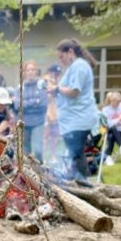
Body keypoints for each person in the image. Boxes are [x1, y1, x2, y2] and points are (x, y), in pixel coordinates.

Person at [51, 40, 99, 180]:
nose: (61, 61)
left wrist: (57, 89)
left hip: (78, 119)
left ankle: (84, 185)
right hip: (72, 119)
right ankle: (79, 183)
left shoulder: (80, 66)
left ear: (70, 52)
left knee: (77, 154)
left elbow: (74, 91)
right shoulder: (75, 67)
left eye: (61, 57)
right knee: (75, 154)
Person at [12, 60, 48, 161]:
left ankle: (41, 170)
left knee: (38, 150)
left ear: (36, 71)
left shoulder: (42, 85)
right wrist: (34, 102)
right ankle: (28, 174)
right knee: (25, 152)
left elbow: (43, 104)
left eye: (33, 69)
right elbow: (17, 105)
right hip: (24, 122)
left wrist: (25, 104)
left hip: (38, 122)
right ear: (24, 72)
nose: (30, 72)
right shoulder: (20, 88)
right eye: (28, 70)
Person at [42, 64, 61, 164]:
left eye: (58, 73)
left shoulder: (56, 82)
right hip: (46, 112)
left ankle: (54, 156)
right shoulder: (45, 81)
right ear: (50, 72)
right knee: (45, 135)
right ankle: (42, 157)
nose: (56, 75)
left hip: (55, 112)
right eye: (55, 73)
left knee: (55, 136)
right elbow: (45, 96)